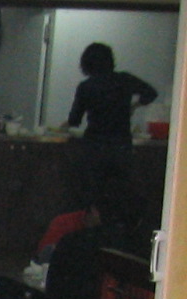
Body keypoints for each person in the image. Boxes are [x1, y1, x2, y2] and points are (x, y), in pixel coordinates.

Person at [67, 40, 158, 214]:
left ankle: (94, 224)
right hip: (121, 146)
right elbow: (151, 93)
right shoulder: (125, 80)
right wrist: (134, 106)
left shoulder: (86, 87)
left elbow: (74, 120)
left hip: (95, 147)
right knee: (119, 194)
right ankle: (117, 225)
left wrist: (66, 125)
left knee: (94, 195)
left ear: (86, 64)